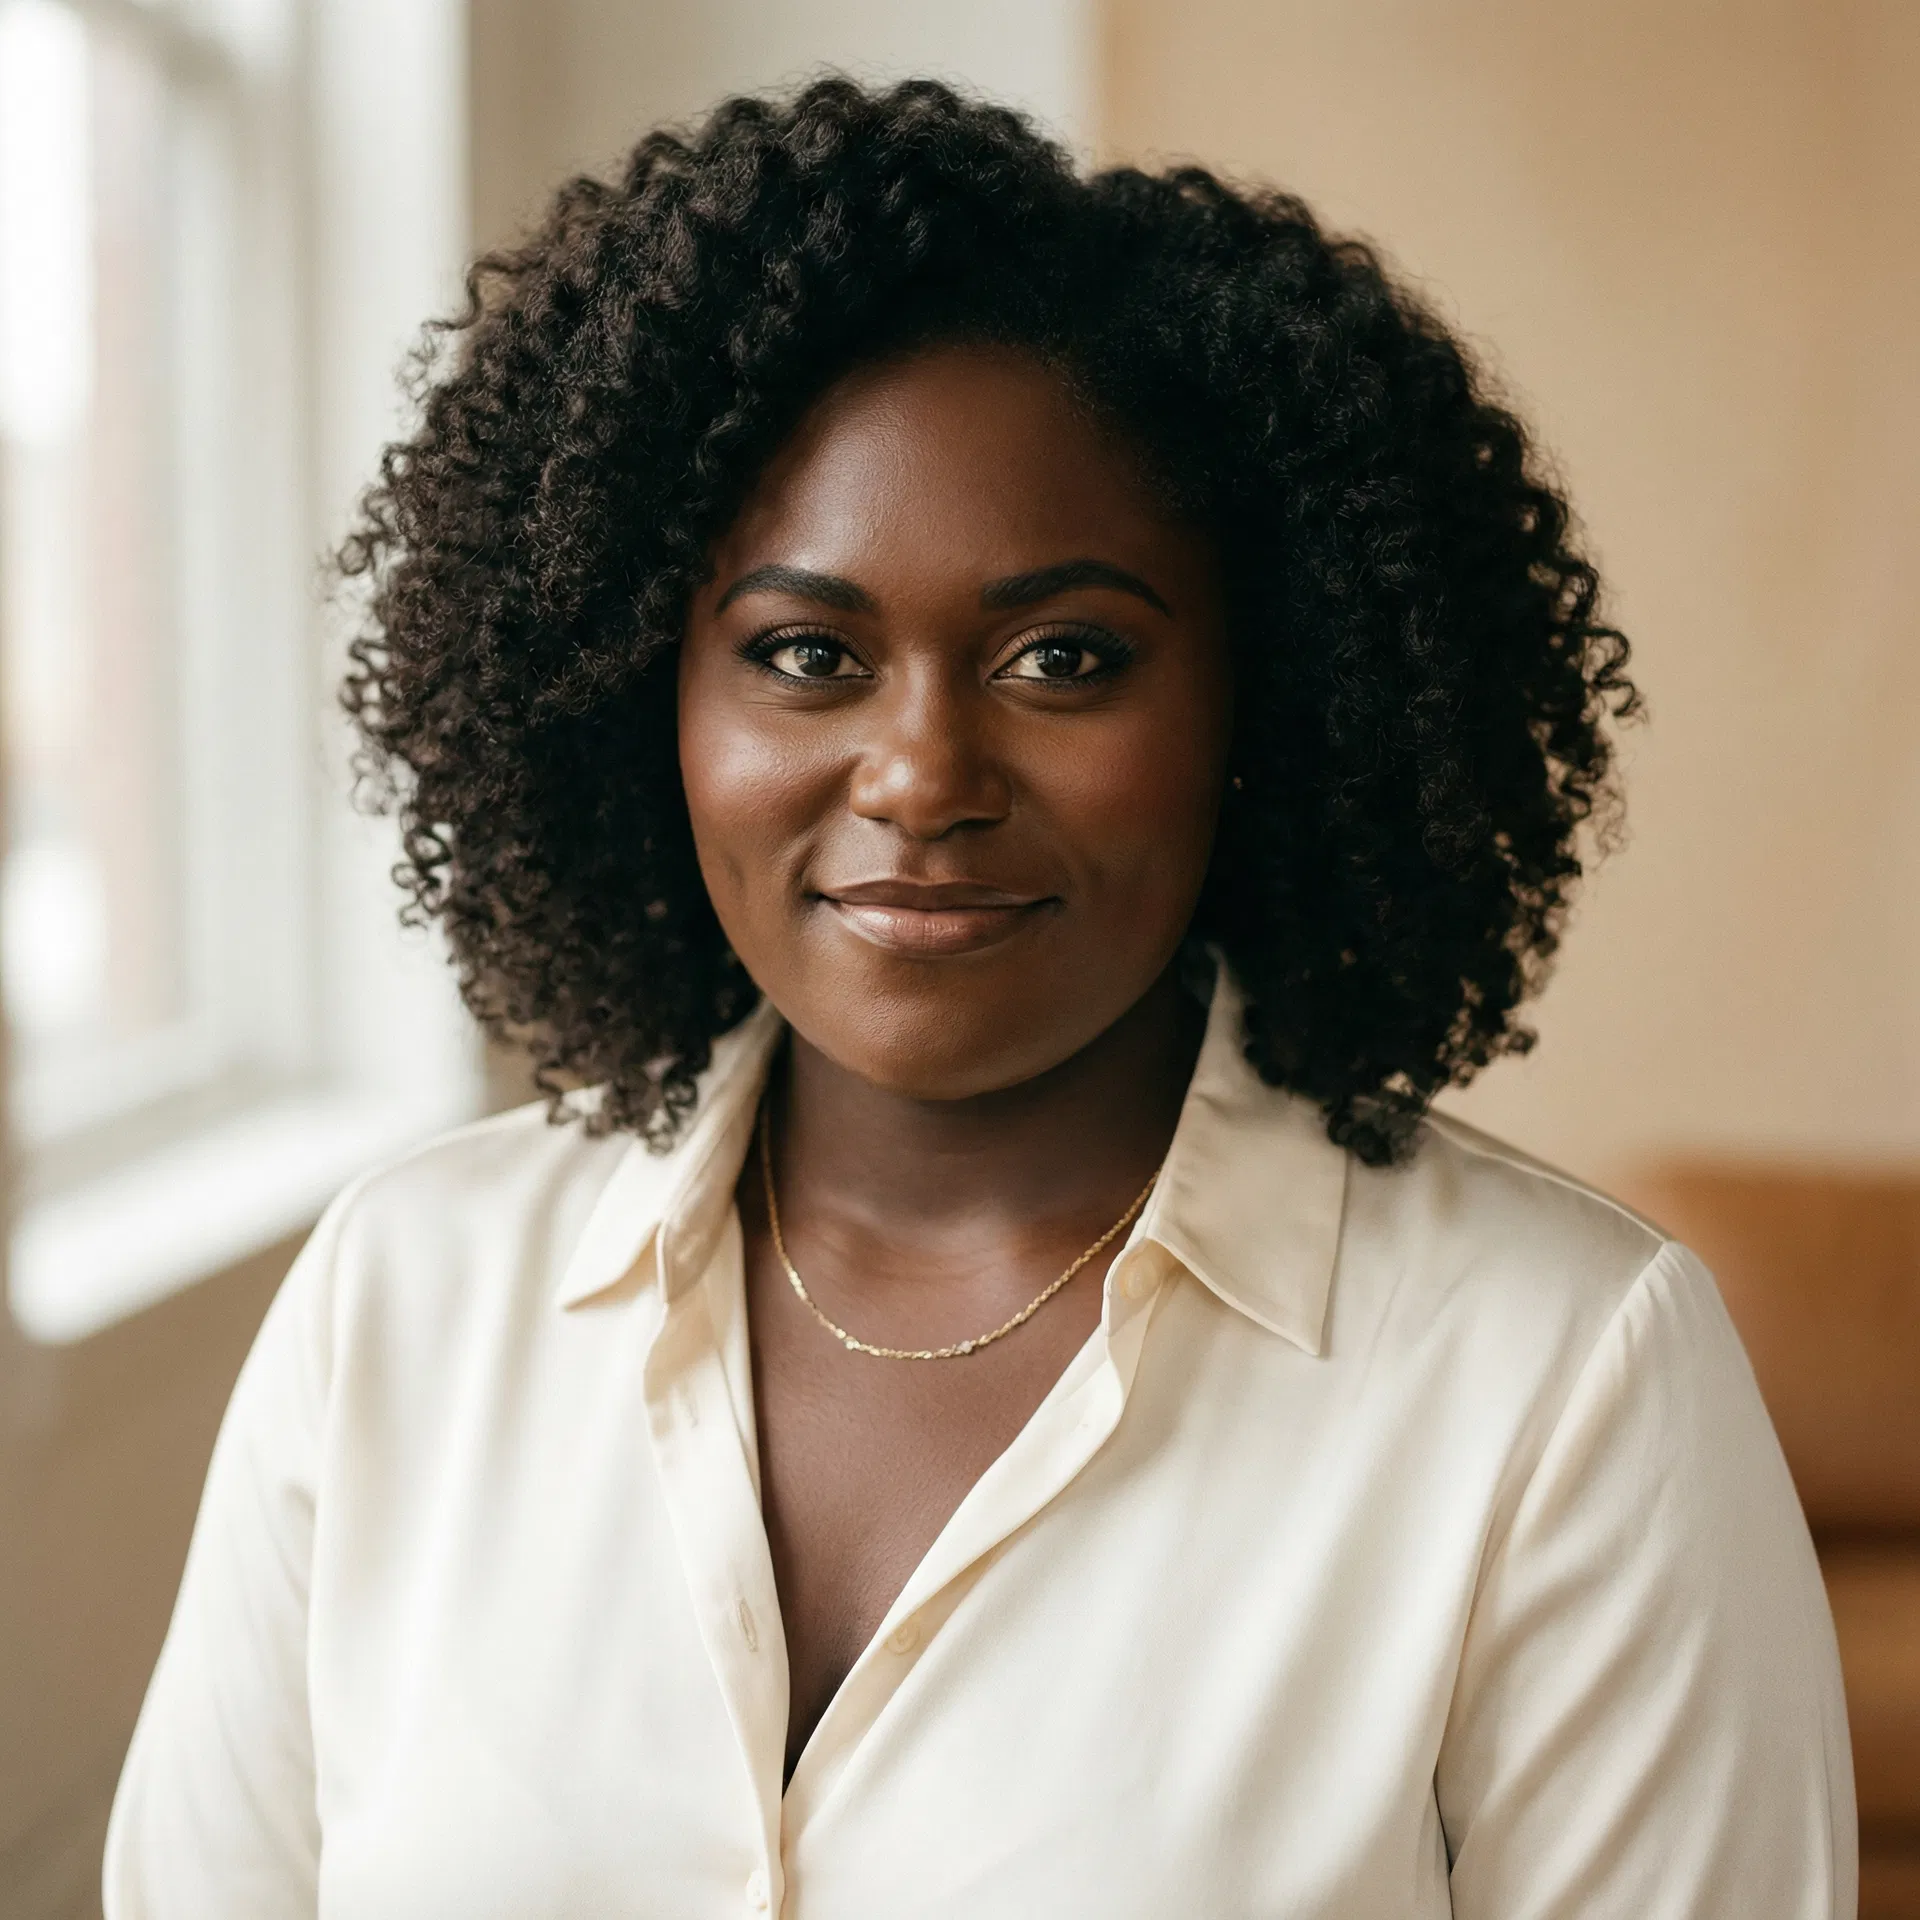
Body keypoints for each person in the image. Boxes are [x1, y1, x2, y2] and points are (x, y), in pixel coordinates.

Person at [105, 79, 1853, 1918]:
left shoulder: (1563, 1380)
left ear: (1269, 708)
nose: (922, 774)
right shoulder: (400, 1304)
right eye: (805, 655)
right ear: (644, 704)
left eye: (1064, 658)